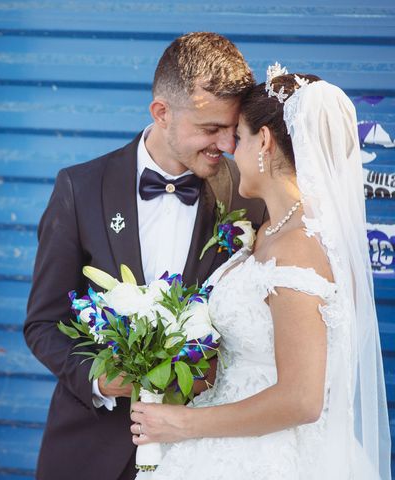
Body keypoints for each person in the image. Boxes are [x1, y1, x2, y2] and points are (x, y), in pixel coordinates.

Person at [23, 32, 266, 480]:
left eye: (232, 129)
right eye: (211, 129)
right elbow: (42, 323)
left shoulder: (249, 196)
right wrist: (100, 380)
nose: (227, 144)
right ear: (161, 113)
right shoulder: (80, 189)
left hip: (208, 453)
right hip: (93, 448)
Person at [129, 70, 392, 479]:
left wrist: (180, 423)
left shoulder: (299, 248)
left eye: (241, 137)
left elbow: (303, 399)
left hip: (271, 460)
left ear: (265, 142)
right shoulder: (272, 229)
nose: (231, 150)